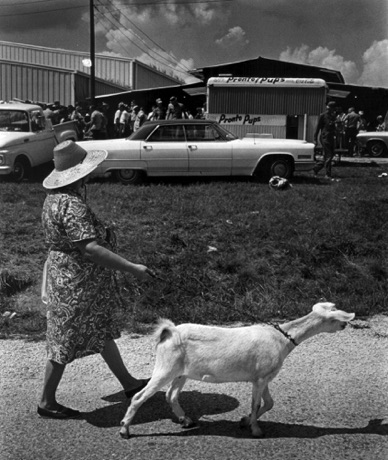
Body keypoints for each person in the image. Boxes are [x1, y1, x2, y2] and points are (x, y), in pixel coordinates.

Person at [38, 140, 154, 419]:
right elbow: (90, 248)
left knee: (98, 329)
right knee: (63, 339)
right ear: (79, 173)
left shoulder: (53, 199)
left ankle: (129, 384)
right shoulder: (72, 204)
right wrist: (132, 268)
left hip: (66, 275)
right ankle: (46, 401)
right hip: (76, 281)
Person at [313, 101, 337, 180]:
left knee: (329, 155)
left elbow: (333, 127)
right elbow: (317, 128)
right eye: (329, 107)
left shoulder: (333, 116)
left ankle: (316, 168)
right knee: (329, 155)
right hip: (324, 137)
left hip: (331, 137)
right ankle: (328, 174)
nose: (330, 109)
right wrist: (315, 139)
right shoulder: (322, 116)